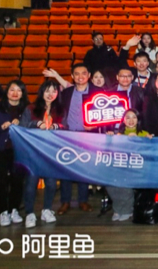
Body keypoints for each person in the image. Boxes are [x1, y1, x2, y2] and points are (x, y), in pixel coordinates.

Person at [56, 63, 103, 215]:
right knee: (65, 168)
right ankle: (65, 201)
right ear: (72, 76)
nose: (80, 76)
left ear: (89, 75)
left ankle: (83, 200)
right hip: (68, 135)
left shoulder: (98, 92)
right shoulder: (66, 93)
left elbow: (104, 116)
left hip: (88, 136)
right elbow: (59, 112)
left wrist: (94, 126)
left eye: (83, 73)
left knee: (84, 168)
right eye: (77, 74)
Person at [0, 80, 31, 227]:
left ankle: (14, 210)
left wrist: (21, 124)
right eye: (12, 89)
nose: (15, 93)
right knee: (0, 182)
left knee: (17, 181)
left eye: (19, 90)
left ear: (23, 93)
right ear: (7, 92)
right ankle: (2, 212)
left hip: (19, 150)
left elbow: (31, 128)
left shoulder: (26, 109)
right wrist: (1, 127)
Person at [24, 80, 64, 228]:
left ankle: (47, 209)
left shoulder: (60, 109)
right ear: (42, 92)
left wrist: (57, 126)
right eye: (47, 91)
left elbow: (66, 126)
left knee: (52, 184)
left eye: (54, 91)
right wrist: (36, 124)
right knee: (30, 184)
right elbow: (22, 126)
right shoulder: (31, 108)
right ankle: (29, 213)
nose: (50, 94)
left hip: (51, 152)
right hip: (33, 152)